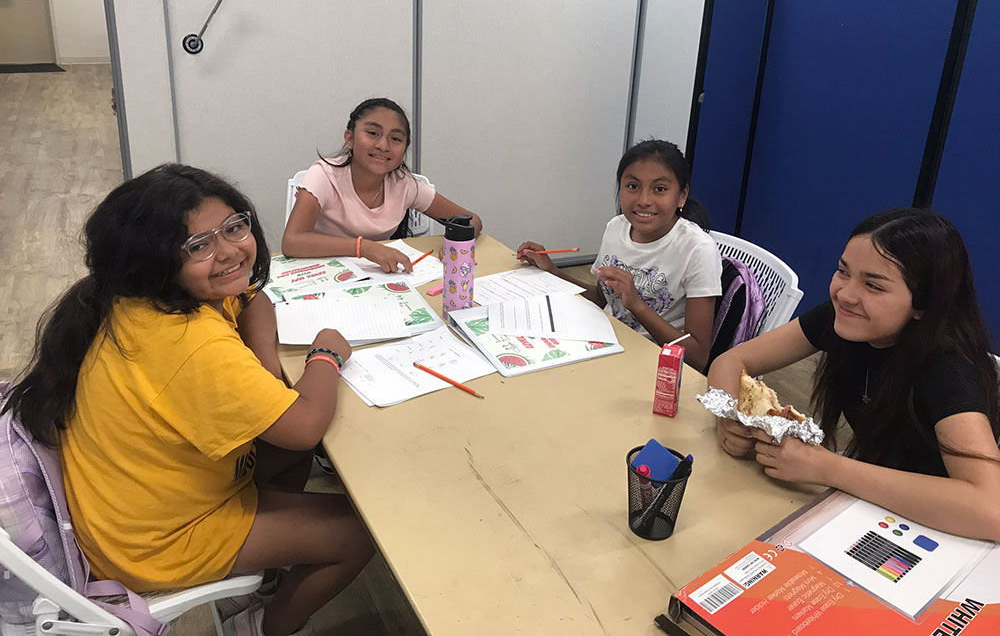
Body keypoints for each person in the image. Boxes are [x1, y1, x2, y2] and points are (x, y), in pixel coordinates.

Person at [4, 164, 374, 636]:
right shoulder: (189, 342)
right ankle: (264, 627)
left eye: (234, 227)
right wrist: (325, 355)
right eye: (198, 246)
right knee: (358, 534)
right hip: (154, 541)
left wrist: (265, 373)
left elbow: (255, 300)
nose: (229, 251)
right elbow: (305, 428)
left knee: (286, 453)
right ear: (153, 262)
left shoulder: (144, 299)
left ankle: (257, 578)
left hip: (141, 503)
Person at [713, 209, 1000, 541]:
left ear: (924, 305)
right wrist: (730, 418)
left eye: (873, 286)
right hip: (870, 507)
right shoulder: (843, 318)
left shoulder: (948, 368)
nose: (845, 294)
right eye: (842, 271)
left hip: (939, 534)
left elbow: (990, 510)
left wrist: (828, 468)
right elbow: (732, 360)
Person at [517, 139, 721, 371]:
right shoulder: (617, 227)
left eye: (660, 189)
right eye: (633, 186)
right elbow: (603, 299)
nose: (644, 201)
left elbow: (698, 357)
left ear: (682, 196)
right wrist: (552, 272)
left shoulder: (698, 250)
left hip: (654, 364)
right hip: (607, 343)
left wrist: (637, 305)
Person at [281, 97, 482, 271]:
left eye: (395, 138)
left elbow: (472, 221)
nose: (383, 145)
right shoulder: (324, 175)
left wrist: (455, 243)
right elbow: (292, 241)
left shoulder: (404, 185)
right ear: (349, 139)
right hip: (322, 274)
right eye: (372, 133)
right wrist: (364, 248)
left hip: (380, 279)